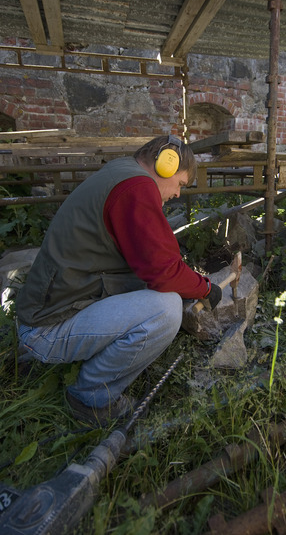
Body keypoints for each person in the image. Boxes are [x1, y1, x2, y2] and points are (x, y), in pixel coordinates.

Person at [15, 135, 222, 425]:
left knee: (155, 292)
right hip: (45, 331)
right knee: (166, 310)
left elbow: (154, 260)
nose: (177, 194)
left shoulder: (121, 172)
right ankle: (90, 396)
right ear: (166, 165)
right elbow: (162, 271)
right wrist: (206, 289)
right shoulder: (136, 187)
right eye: (181, 184)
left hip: (45, 311)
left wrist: (185, 279)